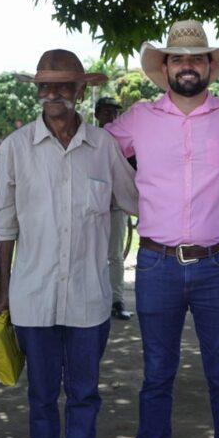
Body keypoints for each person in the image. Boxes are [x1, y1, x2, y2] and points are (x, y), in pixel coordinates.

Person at [105, 19, 219, 438]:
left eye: (197, 58)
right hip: (157, 265)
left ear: (209, 66)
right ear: (166, 66)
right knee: (157, 375)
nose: (188, 66)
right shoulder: (139, 117)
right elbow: (94, 153)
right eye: (179, 58)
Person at [0, 49, 138, 438]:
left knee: (85, 393)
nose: (53, 94)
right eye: (45, 86)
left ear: (80, 91)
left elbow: (137, 198)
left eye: (63, 86)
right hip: (33, 294)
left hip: (89, 297)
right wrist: (2, 285)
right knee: (40, 395)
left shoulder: (103, 147)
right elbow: (4, 224)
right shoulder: (15, 149)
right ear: (37, 91)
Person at [95, 96, 133, 320]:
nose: (111, 117)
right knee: (93, 254)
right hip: (94, 207)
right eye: (107, 112)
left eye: (115, 113)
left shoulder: (124, 140)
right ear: (98, 114)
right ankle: (97, 299)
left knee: (116, 255)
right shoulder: (88, 138)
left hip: (117, 206)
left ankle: (117, 301)